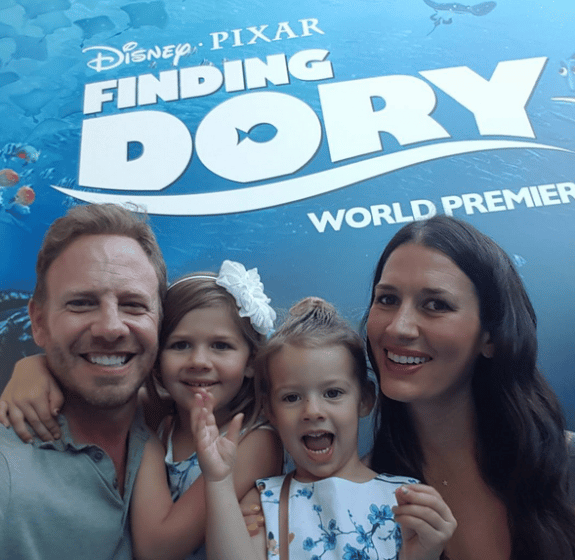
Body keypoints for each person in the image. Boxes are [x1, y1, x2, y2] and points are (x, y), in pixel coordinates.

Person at [0, 260, 284, 560]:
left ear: (251, 361)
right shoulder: (158, 412)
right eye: (180, 345)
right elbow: (92, 390)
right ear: (156, 357)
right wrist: (33, 367)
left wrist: (146, 444)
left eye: (221, 346)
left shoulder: (254, 441)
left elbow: (157, 547)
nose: (199, 360)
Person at [363, 215, 575, 560]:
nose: (399, 327)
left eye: (435, 305)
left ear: (490, 337)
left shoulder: (566, 466)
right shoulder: (355, 493)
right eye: (387, 299)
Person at [192, 297, 457, 560]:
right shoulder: (264, 501)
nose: (312, 412)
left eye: (332, 393)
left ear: (365, 399)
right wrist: (218, 481)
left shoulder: (405, 500)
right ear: (270, 411)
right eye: (292, 397)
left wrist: (423, 555)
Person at [0, 202, 167, 559]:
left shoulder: (181, 428)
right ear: (39, 322)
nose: (110, 327)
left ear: (160, 323)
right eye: (81, 303)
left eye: (134, 305)